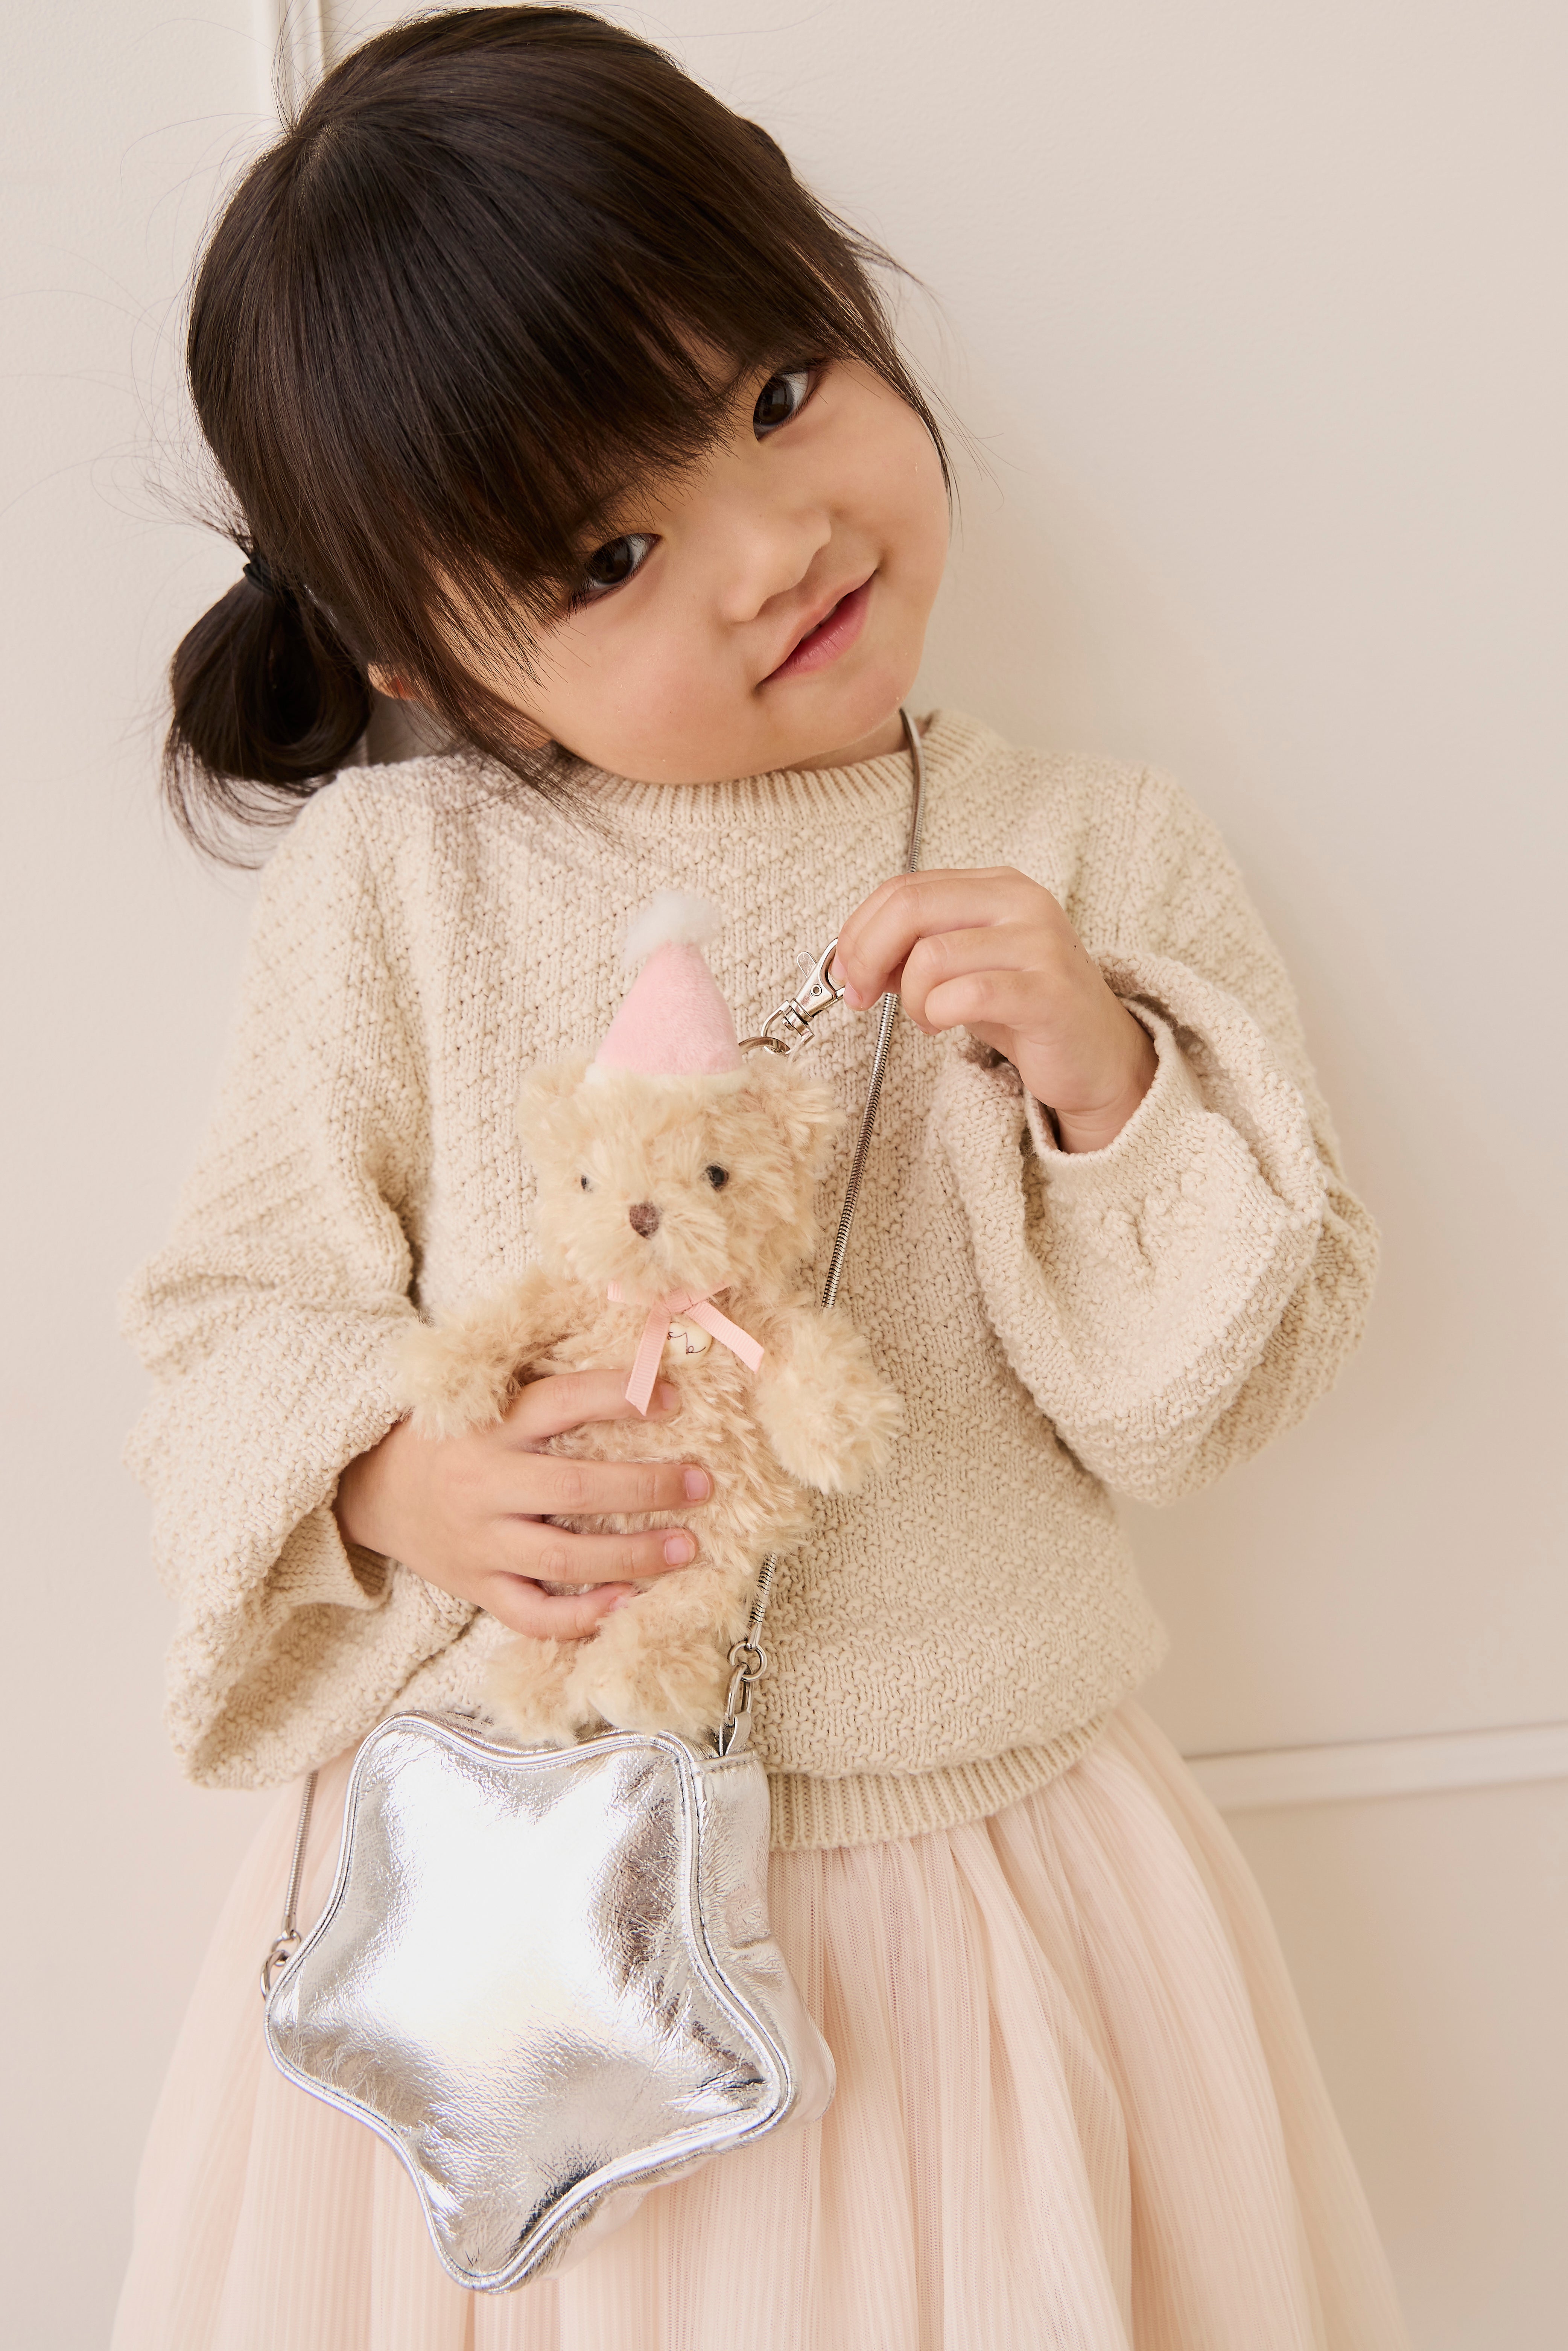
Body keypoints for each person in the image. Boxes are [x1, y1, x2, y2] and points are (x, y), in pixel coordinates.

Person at [112, 9, 1409, 2346]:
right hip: (506, 1902)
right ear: (442, 662)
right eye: (611, 549)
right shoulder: (401, 883)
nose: (771, 543)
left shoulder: (1083, 847)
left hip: (981, 1886)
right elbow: (227, 1319)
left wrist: (1102, 1073)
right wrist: (397, 1476)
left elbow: (1189, 1397)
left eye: (777, 392)